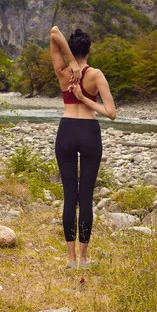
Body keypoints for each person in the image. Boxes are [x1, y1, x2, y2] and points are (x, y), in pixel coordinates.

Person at [50, 25, 116, 268]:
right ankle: (84, 259)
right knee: (85, 197)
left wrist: (71, 64)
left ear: (71, 48)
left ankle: (70, 259)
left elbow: (54, 32)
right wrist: (86, 99)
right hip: (89, 131)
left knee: (70, 196)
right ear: (89, 49)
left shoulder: (63, 71)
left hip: (66, 130)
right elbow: (111, 113)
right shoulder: (96, 75)